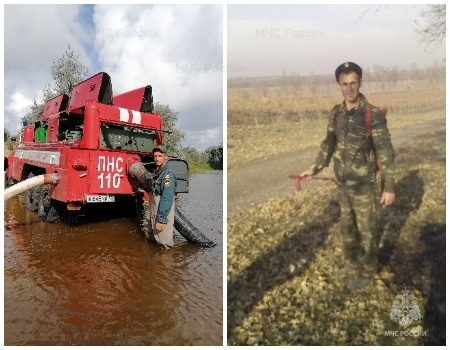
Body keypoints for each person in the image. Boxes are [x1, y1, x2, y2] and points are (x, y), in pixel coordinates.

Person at [300, 62, 396, 290]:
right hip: (343, 185)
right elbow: (328, 143)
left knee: (367, 230)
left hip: (365, 187)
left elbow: (386, 154)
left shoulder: (372, 115)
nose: (349, 88)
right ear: (338, 85)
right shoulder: (336, 114)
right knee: (347, 228)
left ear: (360, 82)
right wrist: (314, 168)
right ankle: (353, 261)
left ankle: (368, 271)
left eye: (353, 83)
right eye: (345, 84)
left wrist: (389, 186)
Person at [148, 145, 177, 248]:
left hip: (162, 211)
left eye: (160, 155)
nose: (157, 158)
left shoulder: (167, 175)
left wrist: (161, 219)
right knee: (157, 238)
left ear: (166, 157)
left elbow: (167, 198)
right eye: (155, 156)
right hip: (156, 209)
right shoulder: (158, 172)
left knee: (165, 243)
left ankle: (168, 262)